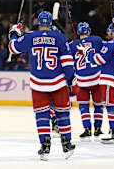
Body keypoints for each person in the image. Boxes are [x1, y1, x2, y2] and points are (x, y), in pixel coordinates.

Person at [8, 11, 75, 160]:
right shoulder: (59, 36)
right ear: (50, 23)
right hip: (58, 82)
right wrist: (71, 80)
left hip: (38, 83)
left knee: (42, 115)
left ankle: (45, 146)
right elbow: (67, 62)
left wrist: (14, 32)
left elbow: (13, 48)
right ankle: (67, 143)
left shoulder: (31, 36)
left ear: (38, 23)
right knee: (63, 113)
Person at [69, 22, 104, 141]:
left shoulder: (73, 45)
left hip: (81, 80)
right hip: (96, 79)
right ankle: (98, 129)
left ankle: (87, 129)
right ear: (88, 31)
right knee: (98, 106)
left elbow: (68, 61)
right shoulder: (96, 40)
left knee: (83, 107)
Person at [93, 21, 114, 144]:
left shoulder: (110, 44)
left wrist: (89, 53)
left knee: (110, 107)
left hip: (108, 79)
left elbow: (98, 60)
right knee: (113, 106)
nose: (108, 33)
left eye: (110, 30)